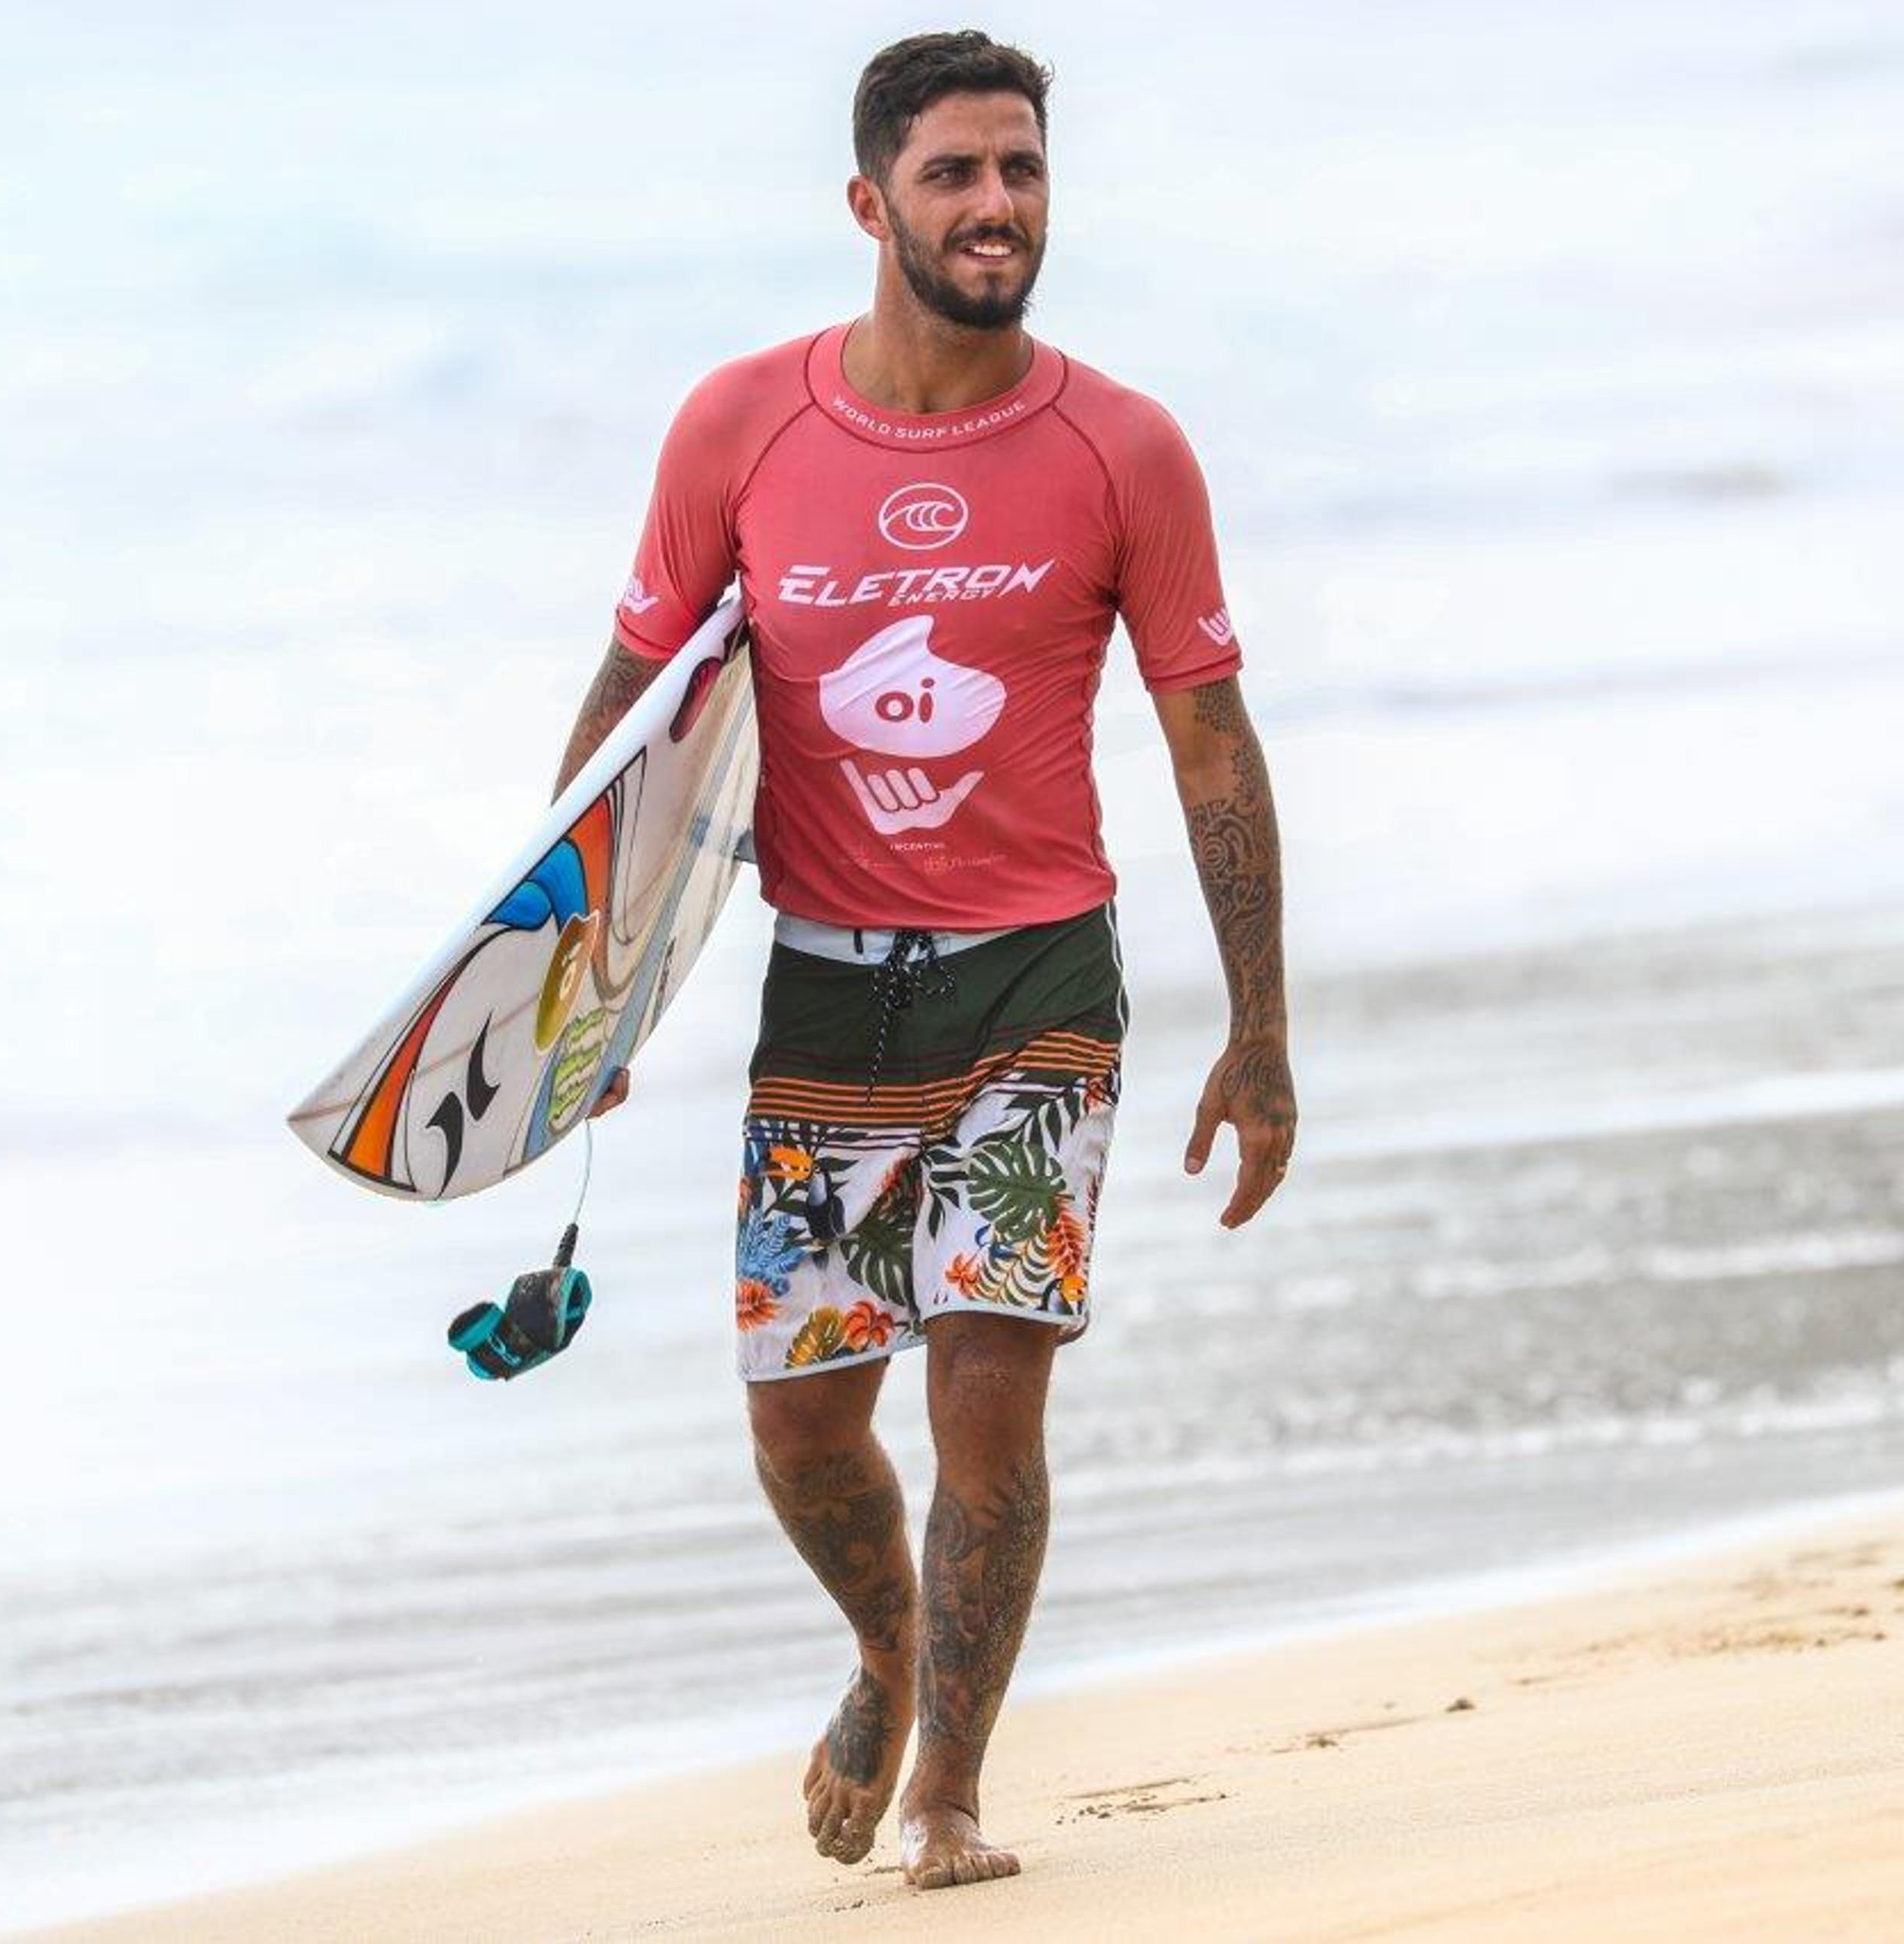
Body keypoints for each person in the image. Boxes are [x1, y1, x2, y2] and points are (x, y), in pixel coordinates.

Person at [552, 29, 1295, 1892]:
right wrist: (572, 988)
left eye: (1022, 170)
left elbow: (1210, 735)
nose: (996, 207)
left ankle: (953, 1783)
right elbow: (637, 702)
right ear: (871, 203)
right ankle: (889, 1652)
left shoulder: (1122, 443)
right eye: (957, 175)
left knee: (989, 1380)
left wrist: (1260, 1032)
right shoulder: (743, 425)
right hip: (829, 984)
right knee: (803, 1422)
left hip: (1037, 979)